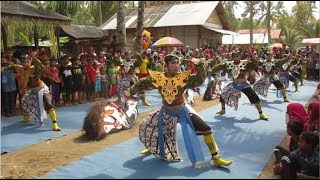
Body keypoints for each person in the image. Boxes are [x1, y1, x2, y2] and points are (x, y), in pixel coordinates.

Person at [124, 54, 233, 168]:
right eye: (173, 63)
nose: (176, 65)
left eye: (178, 63)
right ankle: (153, 148)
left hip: (183, 110)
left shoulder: (183, 78)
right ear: (166, 65)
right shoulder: (158, 78)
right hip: (166, 112)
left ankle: (216, 158)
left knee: (205, 128)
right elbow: (142, 82)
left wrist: (200, 64)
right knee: (152, 129)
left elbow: (199, 80)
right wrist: (130, 91)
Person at [5, 53, 61, 131]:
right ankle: (26, 117)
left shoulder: (35, 69)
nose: (26, 63)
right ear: (21, 62)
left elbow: (41, 67)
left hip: (41, 88)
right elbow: (11, 67)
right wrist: (3, 68)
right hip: (32, 90)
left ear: (30, 61)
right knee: (24, 100)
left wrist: (33, 57)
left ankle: (55, 124)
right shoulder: (19, 68)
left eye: (28, 61)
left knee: (48, 103)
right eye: (24, 62)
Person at [213, 52, 269, 120]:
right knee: (223, 95)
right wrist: (212, 69)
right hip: (234, 84)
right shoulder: (228, 63)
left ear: (240, 56)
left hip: (244, 84)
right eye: (234, 56)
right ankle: (223, 110)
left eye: (237, 56)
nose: (236, 58)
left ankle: (261, 114)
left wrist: (251, 57)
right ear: (232, 57)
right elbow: (219, 66)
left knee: (256, 98)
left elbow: (254, 65)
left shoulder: (245, 63)